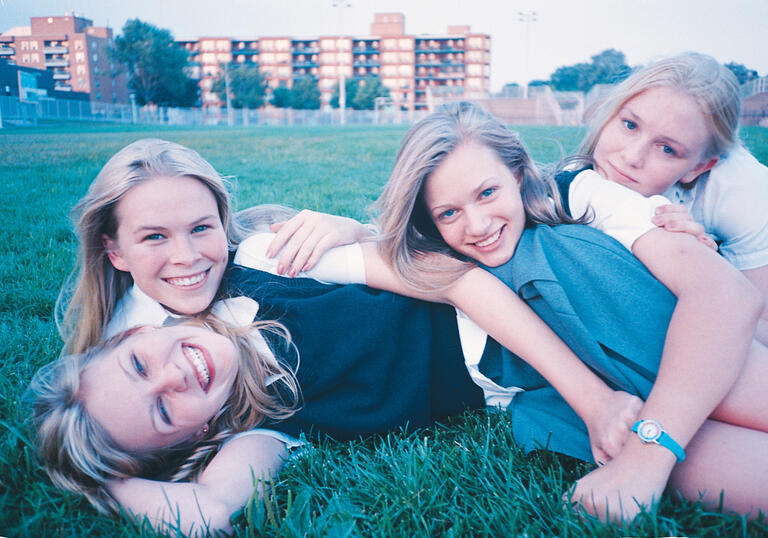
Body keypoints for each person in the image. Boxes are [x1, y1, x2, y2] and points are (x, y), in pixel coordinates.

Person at [267, 102, 767, 522]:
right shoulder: (442, 259)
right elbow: (402, 253)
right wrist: (353, 230)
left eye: (488, 193)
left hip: (608, 311)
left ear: (520, 175)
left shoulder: (571, 210)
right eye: (449, 213)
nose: (479, 225)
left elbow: (725, 296)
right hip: (542, 390)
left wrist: (648, 455)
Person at [572, 52, 768, 343]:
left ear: (699, 167)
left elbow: (760, 330)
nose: (631, 156)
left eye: (666, 149)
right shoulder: (577, 174)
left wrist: (704, 266)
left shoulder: (745, 196)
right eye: (630, 125)